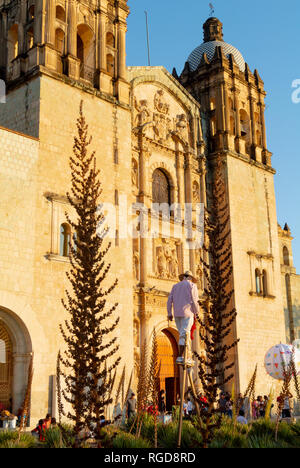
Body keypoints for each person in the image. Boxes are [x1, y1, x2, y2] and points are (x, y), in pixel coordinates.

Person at [167, 270, 199, 364]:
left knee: (184, 334)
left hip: (177, 315)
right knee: (184, 335)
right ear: (190, 278)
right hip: (188, 314)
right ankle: (180, 356)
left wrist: (169, 313)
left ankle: (187, 356)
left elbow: (169, 301)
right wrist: (196, 313)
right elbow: (195, 300)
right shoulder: (192, 286)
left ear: (183, 277)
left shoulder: (175, 286)